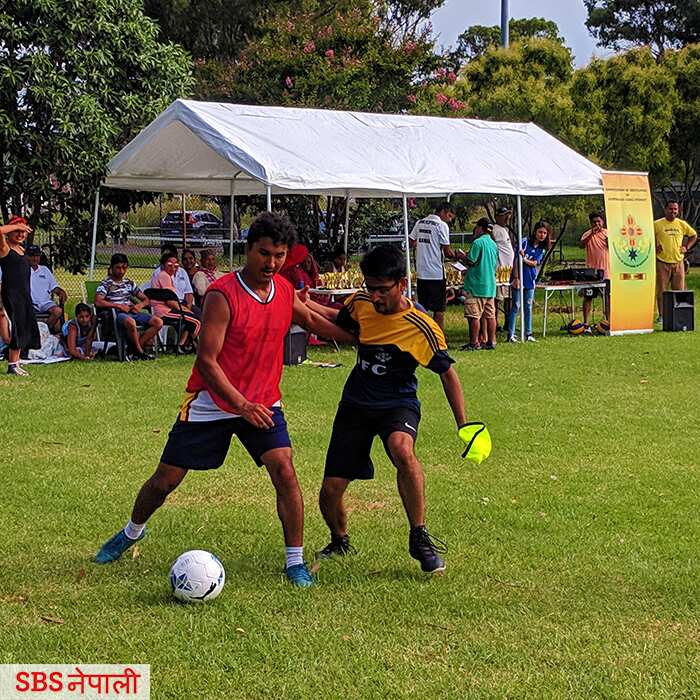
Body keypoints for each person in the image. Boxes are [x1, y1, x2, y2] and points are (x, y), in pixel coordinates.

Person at [94, 213, 357, 588]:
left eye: (279, 255)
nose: (271, 263)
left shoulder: (282, 289)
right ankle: (131, 532)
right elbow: (206, 360)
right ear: (248, 249)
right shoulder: (222, 294)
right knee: (165, 481)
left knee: (284, 470)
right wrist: (240, 405)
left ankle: (295, 563)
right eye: (264, 254)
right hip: (211, 402)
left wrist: (369, 334)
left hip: (263, 402)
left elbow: (319, 322)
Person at [314, 243, 477, 574]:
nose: (374, 296)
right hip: (355, 405)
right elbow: (343, 325)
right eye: (369, 287)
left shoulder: (422, 326)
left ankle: (419, 536)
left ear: (402, 283)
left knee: (402, 450)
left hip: (397, 403)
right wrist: (304, 306)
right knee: (330, 492)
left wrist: (464, 424)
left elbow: (448, 374)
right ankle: (339, 539)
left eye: (382, 289)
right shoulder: (360, 303)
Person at [95, 253, 163, 360]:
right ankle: (140, 352)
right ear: (112, 267)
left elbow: (146, 300)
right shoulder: (106, 283)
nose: (121, 271)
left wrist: (140, 305)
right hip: (116, 315)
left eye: (124, 268)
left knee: (158, 322)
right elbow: (98, 302)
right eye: (118, 268)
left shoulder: (129, 283)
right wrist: (118, 306)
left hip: (131, 312)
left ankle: (134, 349)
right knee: (131, 322)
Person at [408, 201, 462, 330]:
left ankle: (423, 335)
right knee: (439, 310)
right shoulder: (441, 225)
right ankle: (439, 338)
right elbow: (447, 251)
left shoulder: (420, 222)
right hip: (436, 274)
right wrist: (458, 255)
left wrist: (423, 246)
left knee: (423, 308)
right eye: (449, 216)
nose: (449, 220)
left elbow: (411, 241)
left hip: (422, 273)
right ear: (443, 211)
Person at [0, 216, 40, 375]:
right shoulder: (4, 248)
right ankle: (12, 364)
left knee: (23, 327)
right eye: (17, 231)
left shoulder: (22, 250)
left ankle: (16, 362)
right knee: (16, 326)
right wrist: (16, 226)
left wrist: (21, 227)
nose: (21, 234)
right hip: (11, 294)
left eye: (23, 231)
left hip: (24, 294)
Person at [506, 221, 550, 343]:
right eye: (540, 232)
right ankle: (511, 334)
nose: (542, 235)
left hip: (530, 281)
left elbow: (535, 263)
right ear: (535, 231)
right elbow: (516, 260)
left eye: (545, 233)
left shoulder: (542, 249)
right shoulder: (524, 242)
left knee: (528, 306)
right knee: (516, 305)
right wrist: (516, 277)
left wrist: (524, 259)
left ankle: (528, 333)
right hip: (519, 279)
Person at [654, 200, 697, 320]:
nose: (673, 211)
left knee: (679, 290)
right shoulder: (657, 224)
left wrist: (686, 247)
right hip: (662, 262)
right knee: (662, 291)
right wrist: (654, 246)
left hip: (678, 263)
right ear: (665, 210)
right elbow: (648, 237)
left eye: (675, 209)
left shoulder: (681, 224)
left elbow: (694, 235)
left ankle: (678, 315)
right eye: (670, 209)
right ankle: (662, 316)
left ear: (678, 211)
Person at [151, 252, 202, 352]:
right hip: (165, 311)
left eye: (176, 265)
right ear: (163, 265)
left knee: (195, 318)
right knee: (195, 321)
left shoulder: (169, 275)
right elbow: (170, 301)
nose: (173, 268)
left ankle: (184, 344)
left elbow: (189, 293)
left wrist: (187, 308)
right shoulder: (163, 276)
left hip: (176, 306)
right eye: (170, 265)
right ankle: (197, 346)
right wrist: (184, 310)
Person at [461, 218, 498, 351]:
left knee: (473, 316)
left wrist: (461, 256)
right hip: (490, 286)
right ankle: (491, 341)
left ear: (480, 228)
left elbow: (471, 261)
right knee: (490, 316)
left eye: (476, 227)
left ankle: (474, 342)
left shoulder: (477, 242)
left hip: (476, 285)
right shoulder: (493, 244)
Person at [27, 244, 67, 334]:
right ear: (27, 256)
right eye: (32, 255)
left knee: (58, 311)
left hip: (45, 302)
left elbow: (54, 287)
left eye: (37, 255)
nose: (35, 258)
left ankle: (44, 330)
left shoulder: (45, 270)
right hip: (30, 303)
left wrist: (61, 291)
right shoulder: (23, 270)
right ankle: (37, 332)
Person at [579, 211, 609, 327]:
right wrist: (592, 233)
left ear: (603, 222)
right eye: (594, 222)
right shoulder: (587, 234)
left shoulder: (608, 233)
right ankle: (586, 323)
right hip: (591, 273)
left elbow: (615, 248)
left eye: (599, 221)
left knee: (606, 298)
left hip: (606, 272)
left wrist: (608, 241)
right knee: (588, 297)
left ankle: (607, 321)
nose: (597, 224)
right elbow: (581, 245)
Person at [150, 247, 196, 312]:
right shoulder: (160, 274)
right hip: (168, 307)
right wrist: (185, 311)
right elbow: (169, 300)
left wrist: (188, 307)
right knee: (195, 319)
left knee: (200, 315)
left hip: (182, 304)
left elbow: (189, 293)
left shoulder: (182, 271)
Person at [491, 206, 515, 330]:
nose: (507, 218)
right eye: (504, 215)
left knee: (509, 299)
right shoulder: (495, 229)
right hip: (500, 270)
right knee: (497, 299)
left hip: (509, 271)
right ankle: (494, 324)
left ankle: (508, 323)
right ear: (497, 217)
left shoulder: (504, 229)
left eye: (508, 215)